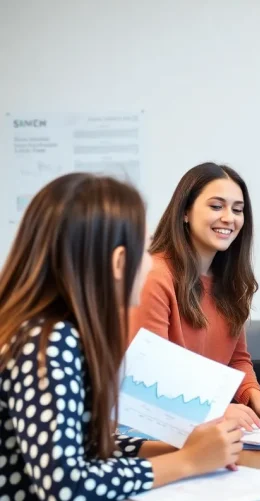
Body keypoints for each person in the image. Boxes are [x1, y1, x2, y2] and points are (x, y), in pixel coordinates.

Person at [0, 173, 243, 500]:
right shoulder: (49, 341)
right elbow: (64, 485)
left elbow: (83, 447)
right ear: (118, 263)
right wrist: (188, 461)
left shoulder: (53, 332)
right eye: (143, 250)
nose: (150, 263)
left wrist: (172, 449)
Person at [131, 162, 260, 428]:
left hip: (205, 429)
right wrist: (217, 410)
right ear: (185, 212)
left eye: (238, 209)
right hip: (151, 431)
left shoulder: (230, 282)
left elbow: (236, 359)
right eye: (216, 206)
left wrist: (256, 397)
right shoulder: (155, 276)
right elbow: (150, 376)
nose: (229, 218)